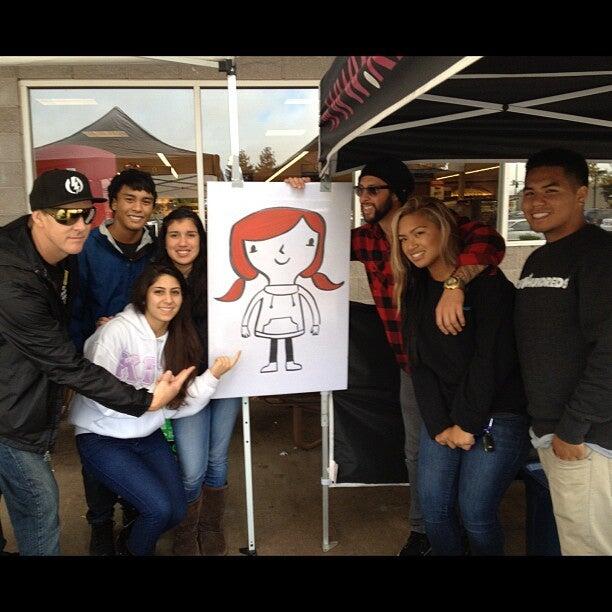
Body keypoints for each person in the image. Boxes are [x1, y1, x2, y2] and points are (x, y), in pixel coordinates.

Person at [286, 158, 505, 555]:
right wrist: (299, 195)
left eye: (373, 189)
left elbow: (492, 242)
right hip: (413, 367)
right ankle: (425, 530)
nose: (364, 197)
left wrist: (455, 283)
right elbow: (312, 238)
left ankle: (462, 523)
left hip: (465, 366)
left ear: (400, 193)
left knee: (469, 453)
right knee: (418, 450)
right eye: (360, 190)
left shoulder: (441, 225)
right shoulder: (365, 239)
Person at [0, 169, 192, 555]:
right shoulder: (13, 275)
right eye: (65, 215)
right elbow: (64, 359)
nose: (79, 225)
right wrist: (144, 400)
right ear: (37, 217)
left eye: (85, 214)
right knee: (39, 505)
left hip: (36, 384)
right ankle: (101, 524)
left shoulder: (63, 253)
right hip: (16, 408)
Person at [69, 263, 240, 556]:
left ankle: (130, 543)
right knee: (158, 510)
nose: (168, 299)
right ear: (144, 295)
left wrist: (212, 376)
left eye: (175, 292)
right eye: (159, 291)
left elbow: (176, 404)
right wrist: (150, 401)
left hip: (146, 435)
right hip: (101, 436)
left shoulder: (178, 339)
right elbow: (95, 392)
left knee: (176, 511)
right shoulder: (116, 331)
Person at [391, 196, 529, 555]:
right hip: (445, 416)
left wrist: (466, 424)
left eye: (419, 233)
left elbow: (491, 361)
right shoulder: (414, 288)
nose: (410, 245)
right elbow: (419, 364)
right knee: (434, 511)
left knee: (475, 514)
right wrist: (440, 425)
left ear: (444, 230)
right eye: (403, 238)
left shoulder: (489, 284)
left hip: (497, 412)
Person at [514, 148, 612, 555]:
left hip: (587, 438)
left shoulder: (600, 255)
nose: (536, 202)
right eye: (529, 192)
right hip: (552, 431)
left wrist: (574, 427)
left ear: (581, 194)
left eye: (551, 190)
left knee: (588, 546)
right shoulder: (537, 259)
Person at [69, 168, 157, 556]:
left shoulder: (156, 250)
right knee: (97, 439)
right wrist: (79, 353)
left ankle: (134, 515)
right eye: (129, 199)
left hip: (141, 362)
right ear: (114, 203)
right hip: (96, 363)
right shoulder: (88, 247)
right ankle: (101, 523)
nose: (137, 208)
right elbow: (74, 305)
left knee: (139, 435)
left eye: (146, 201)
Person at [154, 207, 242, 556]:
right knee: (192, 468)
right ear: (164, 240)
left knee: (217, 459)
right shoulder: (155, 278)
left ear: (202, 240)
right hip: (184, 384)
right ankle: (186, 529)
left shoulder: (222, 273)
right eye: (174, 234)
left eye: (191, 234)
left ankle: (210, 526)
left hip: (225, 377)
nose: (183, 242)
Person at [217, 207, 343, 373]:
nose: (282, 251)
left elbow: (311, 304)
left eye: (307, 243)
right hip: (270, 324)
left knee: (288, 339)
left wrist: (316, 323)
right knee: (274, 341)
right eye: (257, 246)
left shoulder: (298, 291)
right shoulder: (265, 293)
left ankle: (289, 361)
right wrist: (245, 326)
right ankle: (273, 363)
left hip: (291, 322)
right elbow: (252, 307)